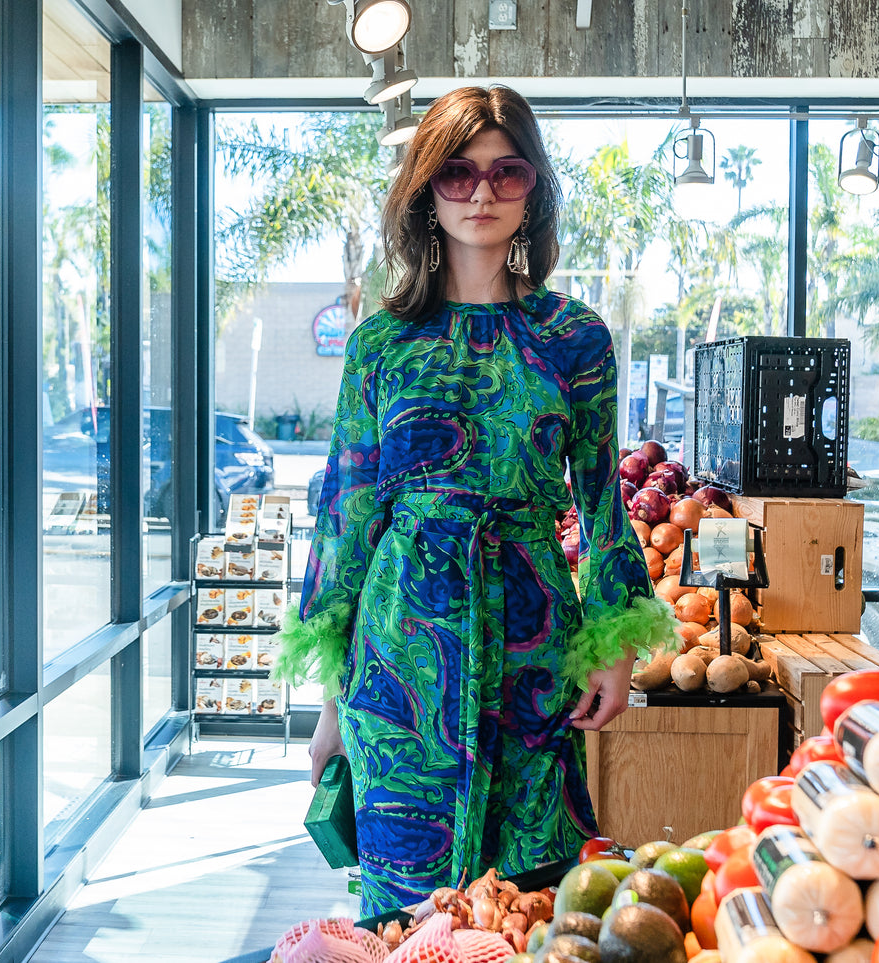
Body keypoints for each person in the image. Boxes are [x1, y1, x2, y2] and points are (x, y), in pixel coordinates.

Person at [275, 85, 676, 917]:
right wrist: (328, 706)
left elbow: (604, 503)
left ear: (534, 190)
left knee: (529, 899)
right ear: (426, 191)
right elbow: (346, 517)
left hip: (532, 646)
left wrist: (616, 648)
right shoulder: (381, 342)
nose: (482, 193)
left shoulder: (575, 337)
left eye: (507, 171)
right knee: (402, 904)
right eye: (456, 173)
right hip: (397, 659)